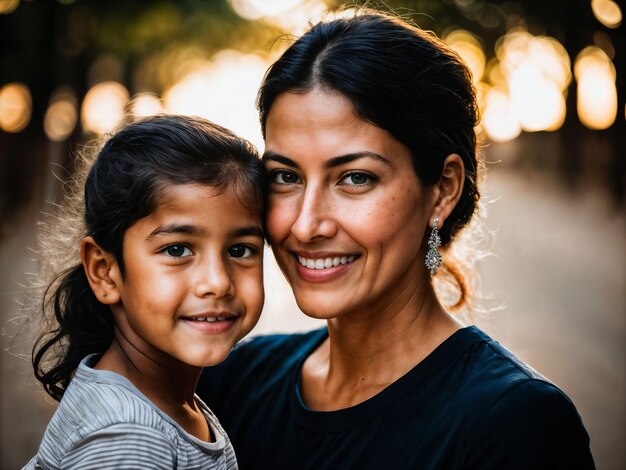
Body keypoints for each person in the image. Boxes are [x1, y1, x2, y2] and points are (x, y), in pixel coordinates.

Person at [198, 9, 595, 469]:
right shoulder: (231, 383)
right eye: (286, 176)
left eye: (356, 178)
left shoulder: (516, 425)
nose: (305, 225)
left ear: (443, 189)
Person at [24, 115, 265, 469]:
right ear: (105, 272)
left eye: (240, 250)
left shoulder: (166, 402)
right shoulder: (127, 439)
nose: (217, 282)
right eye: (177, 250)